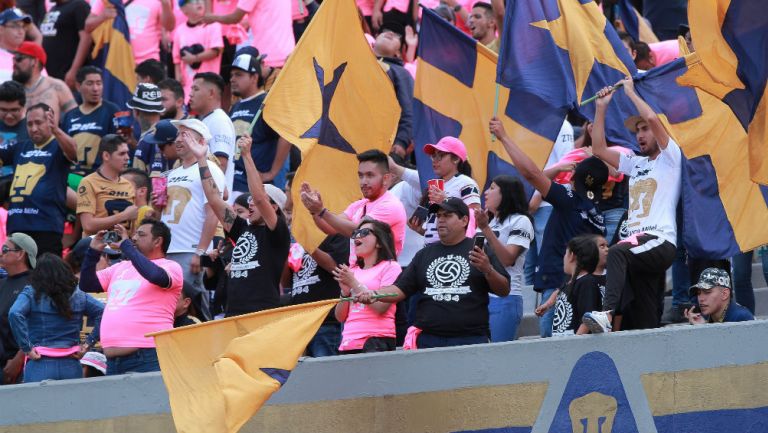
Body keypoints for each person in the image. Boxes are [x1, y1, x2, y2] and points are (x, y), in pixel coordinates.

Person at [489, 119, 606, 338]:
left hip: (558, 287)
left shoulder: (569, 198)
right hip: (573, 288)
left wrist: (504, 137)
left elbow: (532, 174)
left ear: (574, 177)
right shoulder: (596, 214)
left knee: (550, 352)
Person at [583, 78, 681, 333]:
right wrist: (601, 107)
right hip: (639, 245)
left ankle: (606, 314)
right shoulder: (635, 163)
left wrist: (630, 92)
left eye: (644, 129)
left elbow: (655, 119)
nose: (639, 135)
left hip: (659, 239)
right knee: (645, 314)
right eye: (636, 130)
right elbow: (599, 149)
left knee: (615, 252)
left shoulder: (671, 157)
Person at [355, 198, 510, 349]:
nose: (441, 220)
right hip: (429, 340)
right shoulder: (424, 254)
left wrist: (487, 269)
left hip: (471, 339)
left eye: (448, 216)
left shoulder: (479, 251)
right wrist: (373, 294)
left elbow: (504, 289)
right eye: (438, 216)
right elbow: (400, 289)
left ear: (464, 221)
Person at [187, 130, 290, 316]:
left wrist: (247, 155)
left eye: (258, 201)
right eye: (248, 200)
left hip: (261, 315)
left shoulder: (278, 232)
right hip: (232, 314)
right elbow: (213, 197)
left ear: (274, 208)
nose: (251, 202)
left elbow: (259, 198)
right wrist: (201, 159)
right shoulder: (241, 228)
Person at [79, 220, 183, 374]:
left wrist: (126, 246)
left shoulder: (170, 267)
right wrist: (93, 252)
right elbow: (86, 284)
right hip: (112, 361)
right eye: (134, 234)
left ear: (158, 241)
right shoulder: (120, 267)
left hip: (148, 355)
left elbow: (154, 275)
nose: (134, 238)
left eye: (141, 235)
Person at [300, 149, 407, 265]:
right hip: (356, 274)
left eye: (370, 175)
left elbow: (359, 231)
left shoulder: (390, 205)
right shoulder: (359, 204)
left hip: (382, 276)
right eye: (360, 176)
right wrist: (314, 211)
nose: (364, 181)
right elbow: (330, 227)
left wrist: (321, 211)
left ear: (386, 179)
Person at [8, 253, 103, 382]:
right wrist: (87, 344)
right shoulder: (79, 295)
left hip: (40, 363)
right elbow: (103, 312)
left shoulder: (31, 293)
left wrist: (26, 347)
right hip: (71, 364)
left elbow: (15, 313)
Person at [160, 118, 225, 299]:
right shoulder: (173, 173)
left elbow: (213, 212)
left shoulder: (210, 169)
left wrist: (200, 251)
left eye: (185, 135)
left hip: (191, 250)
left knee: (195, 306)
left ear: (202, 142)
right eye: (178, 135)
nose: (178, 139)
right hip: (167, 251)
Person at [1, 103, 77, 256]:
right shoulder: (19, 148)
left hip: (46, 225)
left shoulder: (58, 145)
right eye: (29, 124)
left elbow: (74, 153)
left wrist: (56, 130)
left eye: (39, 123)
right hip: (17, 224)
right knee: (19, 277)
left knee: (45, 277)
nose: (34, 128)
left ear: (50, 122)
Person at [475, 175, 533, 342]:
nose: (486, 193)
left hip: (506, 298)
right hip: (481, 298)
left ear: (507, 193)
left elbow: (507, 259)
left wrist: (485, 228)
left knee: (497, 358)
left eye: (492, 188)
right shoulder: (489, 223)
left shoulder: (520, 221)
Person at [333, 220, 401, 354]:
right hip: (348, 341)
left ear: (379, 242)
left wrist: (353, 283)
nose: (357, 236)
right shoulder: (353, 271)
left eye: (364, 232)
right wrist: (345, 293)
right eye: (356, 233)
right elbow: (340, 317)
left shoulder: (390, 267)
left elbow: (381, 307)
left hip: (376, 339)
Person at [228, 46, 291, 191]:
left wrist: (272, 173)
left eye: (239, 75)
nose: (232, 79)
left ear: (254, 77)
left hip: (255, 189)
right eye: (231, 75)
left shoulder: (267, 103)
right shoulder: (235, 106)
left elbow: (285, 136)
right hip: (234, 183)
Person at [201, 0, 294, 88]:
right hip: (289, 54)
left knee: (267, 102)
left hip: (266, 58)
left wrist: (212, 17)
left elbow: (235, 18)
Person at [286, 233, 349, 357]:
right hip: (299, 323)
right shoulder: (297, 242)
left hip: (325, 322)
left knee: (326, 372)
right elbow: (286, 282)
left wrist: (308, 244)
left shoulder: (335, 234)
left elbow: (337, 269)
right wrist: (284, 253)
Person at [417, 136, 481, 245]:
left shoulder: (465, 183)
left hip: (454, 248)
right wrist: (419, 229)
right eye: (433, 156)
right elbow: (434, 229)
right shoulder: (435, 185)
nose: (435, 161)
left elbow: (476, 217)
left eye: (441, 156)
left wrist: (446, 200)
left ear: (456, 159)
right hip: (430, 248)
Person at [61, 66, 120, 175]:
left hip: (100, 175)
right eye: (90, 83)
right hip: (73, 175)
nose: (95, 88)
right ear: (78, 86)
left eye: (99, 83)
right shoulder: (69, 116)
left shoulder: (112, 110)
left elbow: (118, 145)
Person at [76, 134, 136, 236]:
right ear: (106, 156)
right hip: (98, 248)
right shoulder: (88, 182)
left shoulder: (128, 184)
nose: (127, 158)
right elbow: (88, 225)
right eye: (121, 154)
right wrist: (123, 216)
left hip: (124, 249)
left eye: (127, 153)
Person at [86, 0, 174, 65]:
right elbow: (88, 26)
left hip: (148, 65)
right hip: (117, 64)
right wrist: (102, 17)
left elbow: (169, 27)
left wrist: (166, 4)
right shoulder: (107, 1)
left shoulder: (157, 1)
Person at [189, 72, 235, 197]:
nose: (190, 94)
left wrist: (213, 199)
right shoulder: (207, 120)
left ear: (211, 93)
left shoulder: (219, 120)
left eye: (196, 89)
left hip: (213, 203)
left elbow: (221, 165)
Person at [550, 235, 605, 337]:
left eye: (565, 253)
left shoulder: (587, 282)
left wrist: (576, 342)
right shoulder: (569, 282)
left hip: (576, 347)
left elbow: (589, 318)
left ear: (572, 255)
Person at [372, 24, 413, 158]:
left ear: (397, 53)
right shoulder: (355, 64)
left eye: (396, 37)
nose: (390, 32)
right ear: (373, 43)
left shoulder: (401, 73)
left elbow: (408, 109)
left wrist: (401, 141)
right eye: (384, 32)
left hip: (382, 144)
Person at [0, 233, 35, 384]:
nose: (1, 252)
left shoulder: (35, 284)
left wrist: (18, 360)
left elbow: (37, 325)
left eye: (5, 249)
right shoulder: (2, 284)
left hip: (24, 364)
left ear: (20, 254)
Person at [12, 41, 76, 123]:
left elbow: (75, 119)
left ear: (34, 62)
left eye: (19, 58)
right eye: (13, 58)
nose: (14, 62)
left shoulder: (56, 86)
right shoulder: (11, 90)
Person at [173, 0, 223, 102]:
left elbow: (217, 50)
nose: (198, 2)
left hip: (209, 84)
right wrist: (178, 75)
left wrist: (195, 58)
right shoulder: (180, 30)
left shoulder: (213, 25)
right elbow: (176, 57)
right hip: (188, 86)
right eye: (193, 1)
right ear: (183, 9)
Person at [39, 0, 91, 88]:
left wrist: (74, 70)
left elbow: (86, 38)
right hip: (50, 76)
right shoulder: (53, 8)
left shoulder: (79, 5)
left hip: (68, 76)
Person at [685, 268, 754, 325]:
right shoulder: (704, 316)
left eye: (707, 292)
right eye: (698, 293)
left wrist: (704, 329)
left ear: (725, 294)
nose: (701, 299)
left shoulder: (742, 318)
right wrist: (700, 328)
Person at [124, 83, 166, 150]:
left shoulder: (149, 140)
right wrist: (133, 143)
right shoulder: (167, 137)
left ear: (136, 112)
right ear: (160, 112)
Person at [0, 81, 28, 181]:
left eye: (14, 110)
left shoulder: (33, 128)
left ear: (24, 107)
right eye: (3, 110)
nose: (9, 116)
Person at [0, 8, 33, 82]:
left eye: (23, 26)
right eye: (15, 26)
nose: (21, 31)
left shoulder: (31, 59)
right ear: (1, 29)